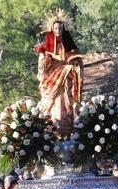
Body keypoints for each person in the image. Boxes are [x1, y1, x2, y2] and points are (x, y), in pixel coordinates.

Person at [35, 9, 83, 138]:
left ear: (63, 29)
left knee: (65, 101)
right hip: (52, 77)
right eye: (55, 28)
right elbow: (44, 65)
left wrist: (73, 65)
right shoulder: (48, 46)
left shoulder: (69, 43)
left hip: (66, 75)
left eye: (60, 29)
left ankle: (65, 128)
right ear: (51, 29)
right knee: (51, 100)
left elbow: (76, 59)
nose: (58, 31)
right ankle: (51, 126)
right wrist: (43, 58)